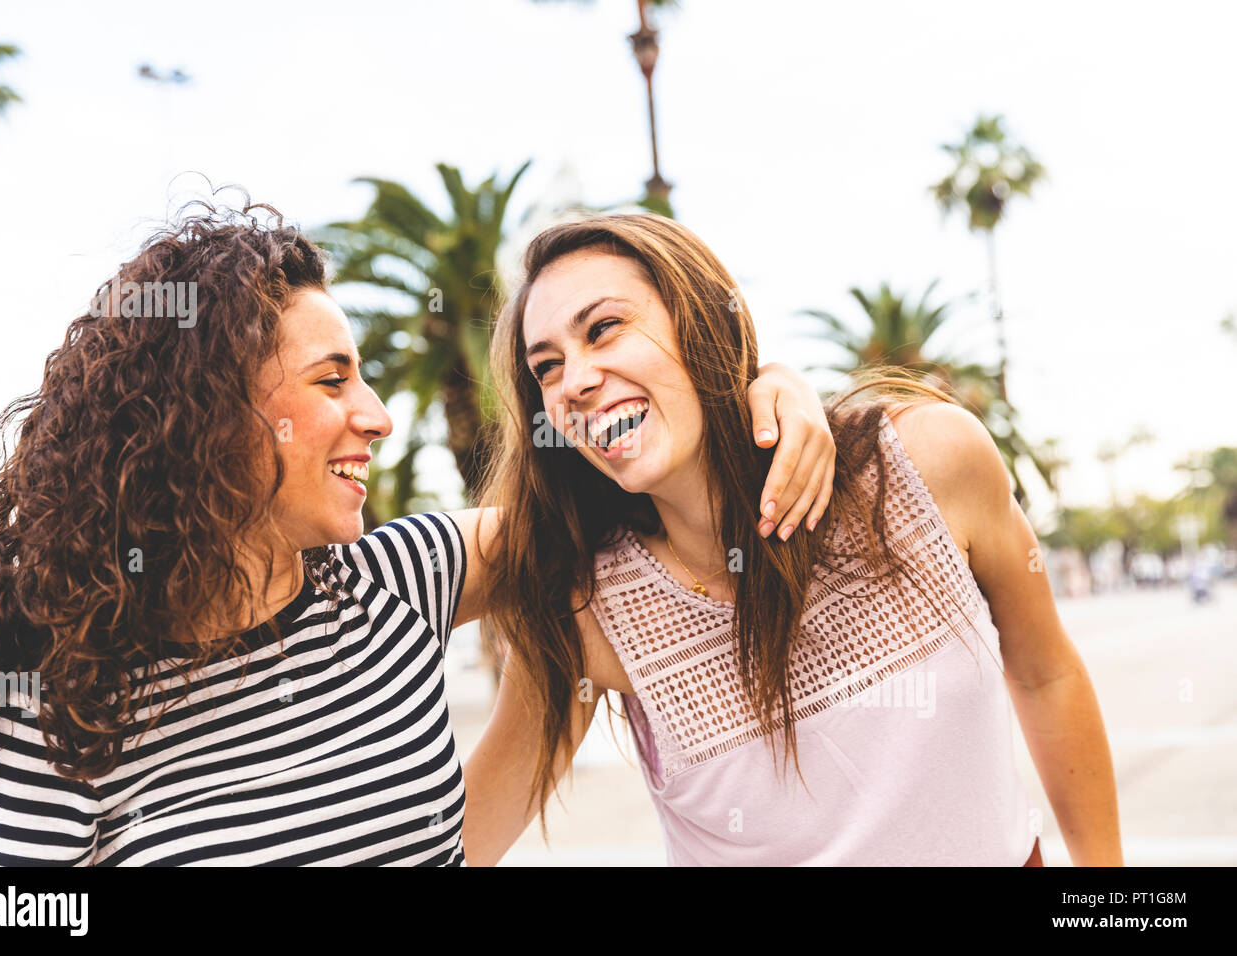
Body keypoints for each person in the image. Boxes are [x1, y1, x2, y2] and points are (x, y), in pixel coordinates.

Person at [0, 201, 833, 866]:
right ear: (206, 417)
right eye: (332, 381)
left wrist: (770, 387)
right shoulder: (60, 701)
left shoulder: (402, 579)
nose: (376, 416)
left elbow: (617, 482)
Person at [464, 213, 1124, 866]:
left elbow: (1047, 675)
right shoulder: (586, 604)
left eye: (603, 329)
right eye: (546, 369)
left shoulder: (926, 462)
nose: (574, 382)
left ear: (698, 320)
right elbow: (461, 839)